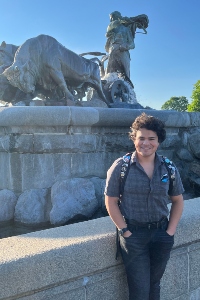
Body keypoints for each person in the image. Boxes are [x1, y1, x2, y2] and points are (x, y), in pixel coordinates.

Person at [105, 113, 184, 300]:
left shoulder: (168, 167)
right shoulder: (121, 167)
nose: (146, 143)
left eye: (151, 139)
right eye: (141, 138)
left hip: (161, 234)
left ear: (159, 141)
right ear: (134, 139)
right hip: (134, 235)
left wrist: (170, 232)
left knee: (154, 286)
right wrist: (124, 231)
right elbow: (110, 201)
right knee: (139, 291)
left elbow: (178, 200)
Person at [105, 11, 149, 82]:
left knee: (125, 75)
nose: (110, 20)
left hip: (123, 53)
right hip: (112, 52)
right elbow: (107, 48)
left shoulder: (125, 29)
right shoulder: (111, 32)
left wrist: (124, 46)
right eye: (110, 19)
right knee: (108, 74)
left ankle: (127, 88)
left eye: (112, 18)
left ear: (117, 17)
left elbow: (132, 45)